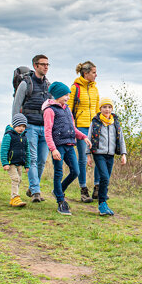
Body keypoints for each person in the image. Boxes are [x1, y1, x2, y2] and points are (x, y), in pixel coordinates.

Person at [42, 82, 91, 215]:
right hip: (58, 147)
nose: (68, 97)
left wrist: (83, 137)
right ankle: (61, 202)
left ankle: (58, 190)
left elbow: (73, 128)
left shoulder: (67, 109)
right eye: (65, 95)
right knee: (58, 173)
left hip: (69, 145)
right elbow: (47, 132)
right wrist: (53, 149)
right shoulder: (49, 110)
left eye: (68, 95)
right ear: (57, 95)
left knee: (76, 171)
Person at [12, 54, 51, 202]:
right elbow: (16, 105)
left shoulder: (48, 85)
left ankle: (33, 187)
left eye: (47, 64)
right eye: (43, 64)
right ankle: (36, 192)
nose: (46, 67)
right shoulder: (25, 84)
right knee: (33, 159)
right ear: (35, 66)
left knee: (41, 160)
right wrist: (15, 126)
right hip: (30, 126)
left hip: (45, 128)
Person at [87, 98, 127, 216]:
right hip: (99, 154)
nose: (107, 109)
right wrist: (88, 155)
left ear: (112, 109)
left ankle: (103, 204)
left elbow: (121, 139)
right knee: (104, 177)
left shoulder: (115, 123)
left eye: (109, 107)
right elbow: (88, 138)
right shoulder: (95, 122)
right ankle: (102, 204)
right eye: (104, 107)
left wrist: (123, 154)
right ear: (100, 109)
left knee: (106, 179)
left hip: (111, 155)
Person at [69, 61, 99, 203]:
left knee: (98, 156)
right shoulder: (75, 88)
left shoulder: (95, 89)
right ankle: (83, 189)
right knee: (82, 158)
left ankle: (98, 188)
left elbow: (98, 109)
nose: (96, 75)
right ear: (86, 73)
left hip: (94, 127)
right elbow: (68, 110)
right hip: (80, 127)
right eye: (93, 72)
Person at [0, 113, 30, 208]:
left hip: (20, 163)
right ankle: (15, 197)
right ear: (14, 125)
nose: (21, 128)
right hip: (10, 163)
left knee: (19, 180)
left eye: (23, 126)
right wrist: (5, 163)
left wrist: (27, 164)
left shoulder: (24, 137)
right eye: (19, 126)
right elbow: (3, 150)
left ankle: (15, 198)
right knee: (15, 179)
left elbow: (27, 151)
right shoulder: (9, 135)